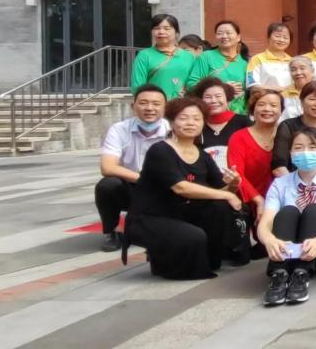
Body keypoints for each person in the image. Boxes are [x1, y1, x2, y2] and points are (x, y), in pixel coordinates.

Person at [122, 98, 242, 279]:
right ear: (171, 122)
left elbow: (222, 192)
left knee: (221, 207)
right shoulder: (160, 150)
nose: (190, 123)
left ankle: (209, 260)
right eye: (183, 118)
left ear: (203, 123)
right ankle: (164, 261)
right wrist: (227, 195)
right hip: (151, 217)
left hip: (183, 214)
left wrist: (232, 184)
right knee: (193, 237)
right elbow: (181, 188)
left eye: (196, 118)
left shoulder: (202, 155)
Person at [259, 126, 316, 305]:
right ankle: (279, 275)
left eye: (312, 147)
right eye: (299, 148)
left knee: (314, 209)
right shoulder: (280, 184)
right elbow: (266, 222)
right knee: (288, 211)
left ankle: (302, 275)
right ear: (291, 153)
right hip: (288, 251)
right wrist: (269, 240)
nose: (305, 152)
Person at [96, 85, 171, 252]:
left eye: (156, 104)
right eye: (143, 103)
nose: (149, 108)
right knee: (107, 185)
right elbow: (107, 167)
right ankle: (111, 232)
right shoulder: (119, 130)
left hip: (164, 188)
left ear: (165, 107)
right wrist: (144, 180)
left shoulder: (173, 130)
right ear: (133, 106)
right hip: (132, 186)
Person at [228, 89, 283, 220]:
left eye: (273, 105)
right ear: (252, 109)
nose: (267, 109)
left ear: (282, 110)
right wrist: (259, 200)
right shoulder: (239, 137)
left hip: (282, 201)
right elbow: (237, 174)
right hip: (247, 203)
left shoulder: (288, 136)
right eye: (261, 104)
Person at [187, 20, 248, 114]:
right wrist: (223, 87)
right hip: (211, 111)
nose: (224, 36)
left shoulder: (245, 62)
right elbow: (191, 84)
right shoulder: (206, 57)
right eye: (220, 33)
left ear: (238, 37)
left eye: (228, 33)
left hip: (239, 113)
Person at [131, 14, 196, 101]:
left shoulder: (189, 57)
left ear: (177, 33)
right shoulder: (144, 55)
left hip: (183, 105)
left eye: (167, 28)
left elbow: (194, 83)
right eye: (156, 28)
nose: (161, 32)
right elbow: (137, 86)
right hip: (155, 105)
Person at [192, 77, 252, 171]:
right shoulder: (196, 125)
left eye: (218, 96)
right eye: (208, 97)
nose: (213, 101)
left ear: (227, 98)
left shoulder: (243, 122)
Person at [246, 22, 294, 92]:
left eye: (285, 37)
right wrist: (279, 90)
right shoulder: (257, 59)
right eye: (277, 36)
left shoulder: (293, 61)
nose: (281, 40)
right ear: (268, 37)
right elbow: (252, 84)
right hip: (266, 98)